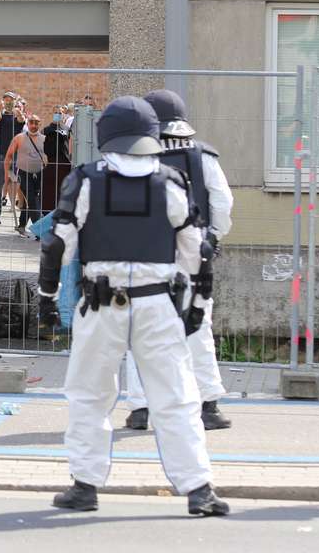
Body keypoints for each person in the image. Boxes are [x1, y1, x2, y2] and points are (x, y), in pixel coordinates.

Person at [37, 96, 229, 516]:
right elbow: (197, 250)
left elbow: (57, 245)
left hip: (100, 304)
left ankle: (85, 486)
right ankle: (199, 490)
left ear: (106, 134)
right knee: (176, 395)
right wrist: (198, 302)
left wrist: (47, 299)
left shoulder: (86, 180)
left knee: (90, 395)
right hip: (158, 304)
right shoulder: (171, 181)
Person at [125, 89, 235, 432]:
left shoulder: (136, 158)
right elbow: (223, 203)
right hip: (193, 258)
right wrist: (213, 237)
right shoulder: (204, 156)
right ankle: (208, 406)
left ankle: (141, 409)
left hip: (145, 259)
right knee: (198, 330)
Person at [3, 113, 48, 237]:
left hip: (39, 173)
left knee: (33, 200)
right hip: (23, 173)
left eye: (36, 123)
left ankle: (22, 226)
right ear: (27, 124)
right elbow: (8, 156)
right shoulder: (19, 138)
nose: (33, 125)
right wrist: (7, 173)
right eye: (31, 123)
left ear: (40, 124)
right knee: (32, 200)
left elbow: (48, 157)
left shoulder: (44, 139)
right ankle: (40, 231)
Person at [0, 91, 25, 224]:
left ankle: (18, 215)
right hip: (0, 154)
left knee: (16, 183)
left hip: (15, 154)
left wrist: (19, 111)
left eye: (10, 99)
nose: (8, 102)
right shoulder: (1, 115)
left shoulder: (17, 116)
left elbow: (22, 120)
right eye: (6, 99)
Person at [41, 105, 73, 212]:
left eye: (60, 113)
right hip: (51, 163)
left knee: (62, 189)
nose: (57, 114)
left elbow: (70, 144)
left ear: (63, 114)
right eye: (55, 112)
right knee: (50, 189)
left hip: (64, 163)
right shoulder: (46, 130)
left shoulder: (67, 129)